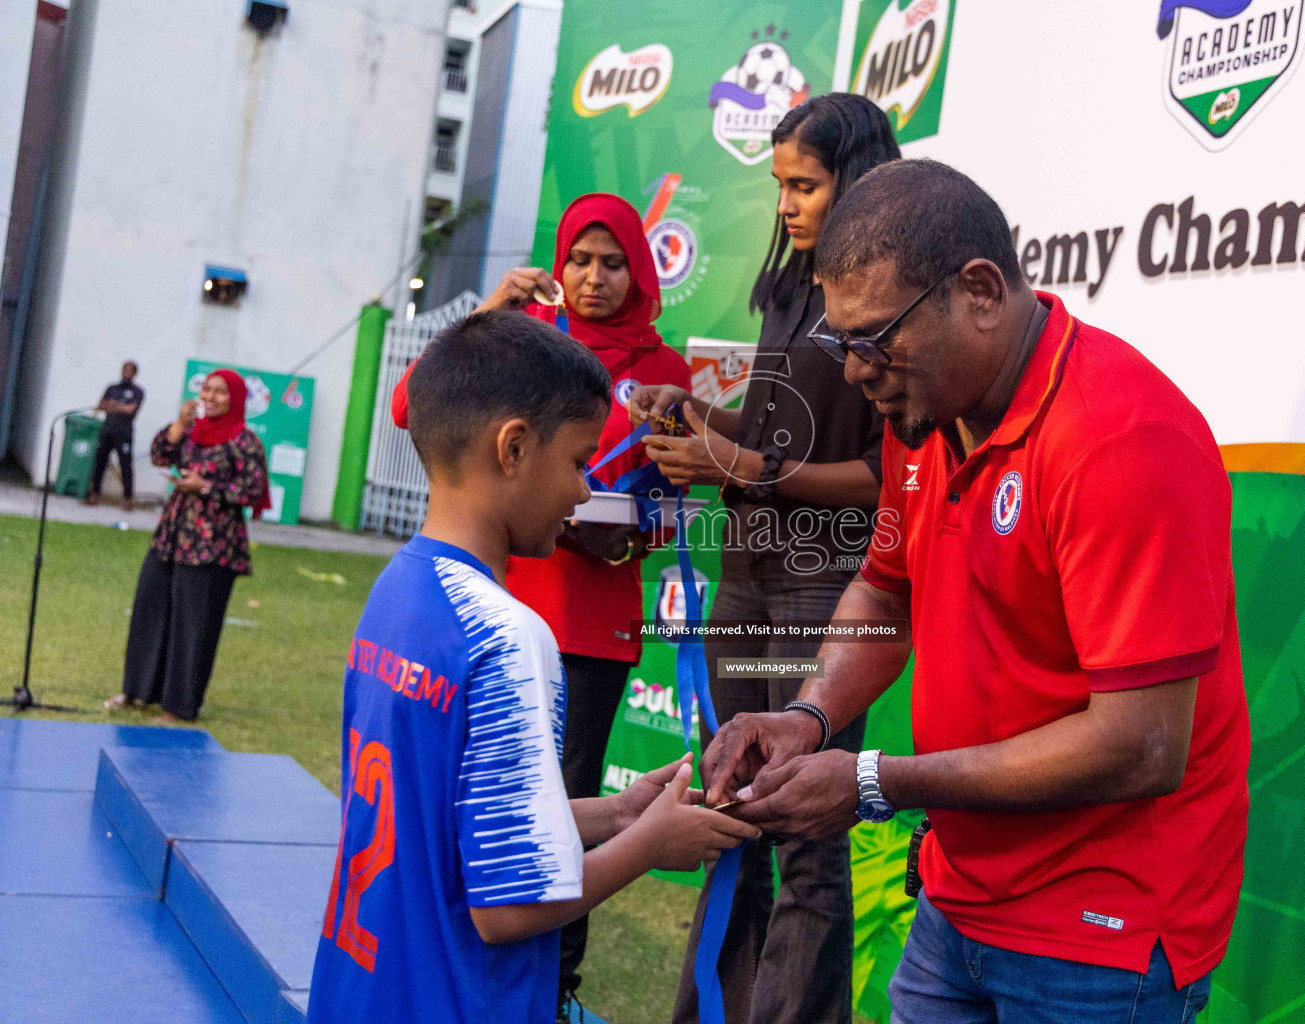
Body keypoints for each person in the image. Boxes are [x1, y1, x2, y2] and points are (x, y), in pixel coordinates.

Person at [702, 160, 1251, 1023]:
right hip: (958, 899)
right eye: (839, 343)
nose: (854, 372)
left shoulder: (1121, 437)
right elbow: (884, 595)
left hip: (1099, 935)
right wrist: (807, 716)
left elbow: (1143, 744)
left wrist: (877, 780)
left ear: (982, 291)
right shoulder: (920, 418)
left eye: (874, 340)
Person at [306, 311, 757, 1024]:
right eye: (580, 461)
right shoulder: (508, 635)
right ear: (514, 448)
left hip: (363, 989)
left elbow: (442, 824)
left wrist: (614, 814)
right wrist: (652, 843)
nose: (584, 491)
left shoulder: (397, 590)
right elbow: (509, 906)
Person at [626, 93, 900, 1024]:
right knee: (725, 807)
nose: (786, 204)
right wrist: (693, 419)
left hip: (827, 583)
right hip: (746, 569)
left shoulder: (890, 298)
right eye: (779, 184)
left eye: (806, 184)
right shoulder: (790, 288)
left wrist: (745, 465)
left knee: (806, 838)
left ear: (856, 182)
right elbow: (777, 436)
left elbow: (884, 475)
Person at [390, 192, 691, 1015]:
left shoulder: (666, 371)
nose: (594, 278)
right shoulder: (528, 344)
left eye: (613, 262)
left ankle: (556, 985)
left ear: (640, 270)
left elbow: (669, 504)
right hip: (511, 598)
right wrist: (490, 316)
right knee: (498, 815)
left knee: (557, 795)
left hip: (594, 619)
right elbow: (423, 408)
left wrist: (628, 534)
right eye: (580, 260)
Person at [107, 369, 270, 721]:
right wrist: (179, 425)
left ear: (236, 399)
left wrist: (206, 487)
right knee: (149, 610)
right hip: (172, 535)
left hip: (213, 545)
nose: (210, 397)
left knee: (194, 626)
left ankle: (180, 706)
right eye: (206, 390)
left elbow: (254, 490)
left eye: (220, 392)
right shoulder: (193, 432)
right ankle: (137, 691)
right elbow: (159, 455)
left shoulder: (245, 441)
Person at [85, 360, 144, 510]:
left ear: (135, 374)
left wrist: (114, 405)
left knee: (125, 465)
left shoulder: (138, 391)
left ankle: (128, 498)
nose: (126, 373)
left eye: (130, 371)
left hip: (124, 432)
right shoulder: (112, 388)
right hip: (107, 430)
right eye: (124, 370)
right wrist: (119, 406)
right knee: (100, 462)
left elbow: (131, 409)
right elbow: (101, 405)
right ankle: (95, 493)